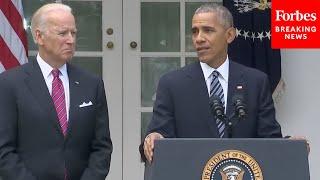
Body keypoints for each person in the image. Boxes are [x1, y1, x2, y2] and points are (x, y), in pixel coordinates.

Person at [141, 3, 283, 163]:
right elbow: (159, 132)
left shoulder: (256, 82)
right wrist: (154, 137)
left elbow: (271, 139)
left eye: (208, 30)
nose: (198, 39)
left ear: (229, 35)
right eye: (195, 32)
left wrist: (293, 145)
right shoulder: (172, 84)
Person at [0, 3, 112, 180]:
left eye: (73, 33)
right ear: (39, 36)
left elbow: (102, 147)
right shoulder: (9, 84)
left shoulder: (92, 84)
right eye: (62, 33)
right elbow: (4, 150)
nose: (71, 40)